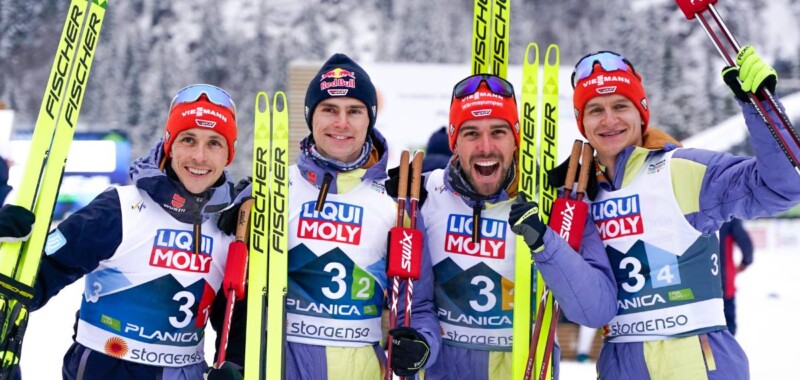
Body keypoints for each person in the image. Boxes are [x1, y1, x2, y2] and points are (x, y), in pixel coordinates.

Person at [568, 47, 800, 379]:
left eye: (621, 106)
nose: (609, 120)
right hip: (621, 363)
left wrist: (761, 108)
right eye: (595, 110)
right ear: (582, 121)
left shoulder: (681, 169)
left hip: (697, 362)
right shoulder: (576, 196)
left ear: (641, 111)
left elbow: (782, 188)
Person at [222, 53, 440, 379]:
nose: (342, 123)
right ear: (311, 117)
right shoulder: (274, 190)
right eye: (329, 109)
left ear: (370, 119)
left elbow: (418, 305)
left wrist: (422, 344)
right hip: (281, 368)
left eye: (354, 111)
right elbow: (233, 297)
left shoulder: (395, 202)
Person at [30, 84, 246, 379]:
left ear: (228, 155)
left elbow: (235, 318)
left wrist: (235, 366)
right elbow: (42, 271)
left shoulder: (231, 223)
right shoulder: (120, 207)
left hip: (184, 372)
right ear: (169, 145)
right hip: (107, 366)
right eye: (188, 139)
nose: (199, 156)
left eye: (214, 143)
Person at [411, 73, 617, 380]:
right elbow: (416, 304)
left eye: (498, 132)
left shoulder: (551, 202)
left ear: (515, 138)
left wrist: (544, 241)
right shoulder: (423, 196)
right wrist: (421, 344)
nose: (485, 147)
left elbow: (595, 310)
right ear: (454, 141)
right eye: (470, 133)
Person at [719, 218, 753, 336]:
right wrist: (746, 261)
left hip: (698, 285)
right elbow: (745, 243)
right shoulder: (728, 216)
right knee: (728, 325)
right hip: (724, 282)